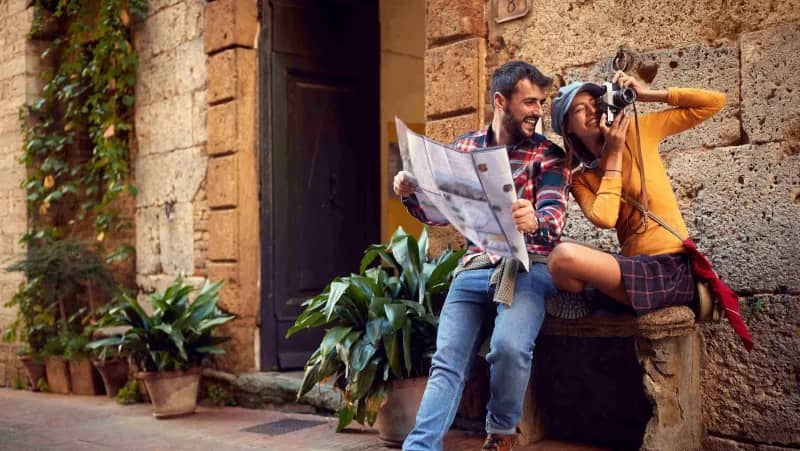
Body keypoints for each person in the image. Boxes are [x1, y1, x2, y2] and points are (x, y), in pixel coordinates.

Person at [395, 61, 570, 451]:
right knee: (447, 360)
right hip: (475, 266)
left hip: (529, 267)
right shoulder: (465, 148)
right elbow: (439, 213)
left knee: (508, 347)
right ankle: (420, 447)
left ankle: (501, 433)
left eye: (540, 103)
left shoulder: (549, 156)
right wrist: (411, 194)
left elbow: (554, 219)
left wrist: (533, 219)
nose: (537, 111)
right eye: (528, 102)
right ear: (499, 101)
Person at [546, 71, 724, 316]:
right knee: (556, 258)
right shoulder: (580, 179)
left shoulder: (638, 131)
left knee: (563, 257)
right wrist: (614, 156)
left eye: (595, 103)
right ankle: (593, 302)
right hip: (634, 267)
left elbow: (714, 103)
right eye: (579, 109)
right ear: (567, 127)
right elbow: (606, 218)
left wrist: (648, 95)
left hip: (670, 268)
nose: (591, 111)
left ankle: (593, 301)